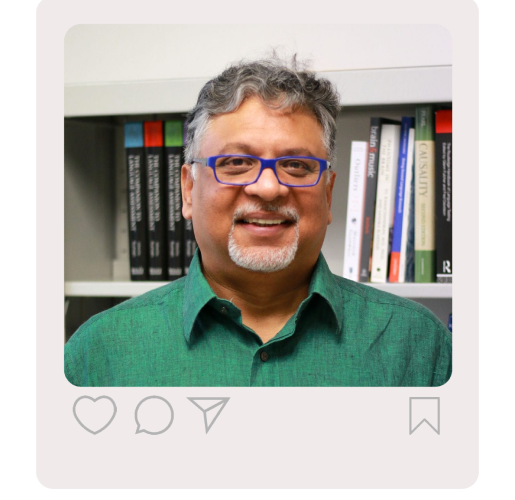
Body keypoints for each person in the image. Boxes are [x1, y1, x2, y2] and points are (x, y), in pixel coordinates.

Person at [65, 55, 452, 387]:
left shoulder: (418, 345)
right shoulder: (99, 352)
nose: (268, 188)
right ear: (187, 190)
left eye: (297, 165)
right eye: (236, 163)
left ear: (329, 194)